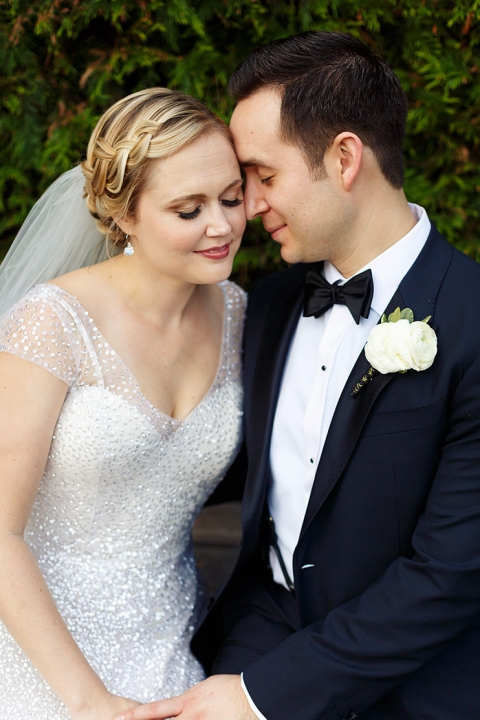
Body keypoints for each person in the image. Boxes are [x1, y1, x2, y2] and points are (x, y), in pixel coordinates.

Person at [119, 31, 480, 720]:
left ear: (344, 158)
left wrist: (262, 696)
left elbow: (451, 574)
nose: (249, 205)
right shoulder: (270, 305)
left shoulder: (472, 323)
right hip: (253, 641)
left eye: (263, 175)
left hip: (416, 688)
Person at [0, 87, 246, 720]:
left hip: (176, 647)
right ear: (124, 214)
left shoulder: (240, 314)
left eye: (231, 198)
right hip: (40, 656)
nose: (221, 226)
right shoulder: (53, 322)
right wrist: (90, 702)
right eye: (189, 209)